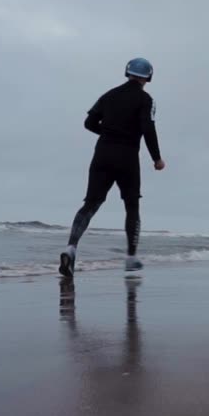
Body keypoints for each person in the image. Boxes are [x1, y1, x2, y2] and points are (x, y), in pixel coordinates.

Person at [60, 57, 165, 276]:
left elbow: (89, 123)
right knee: (132, 206)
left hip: (102, 154)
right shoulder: (145, 99)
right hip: (127, 157)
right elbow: (148, 129)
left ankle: (70, 248)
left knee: (90, 204)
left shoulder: (108, 95)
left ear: (127, 73)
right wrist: (157, 158)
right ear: (149, 77)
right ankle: (130, 257)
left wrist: (108, 133)